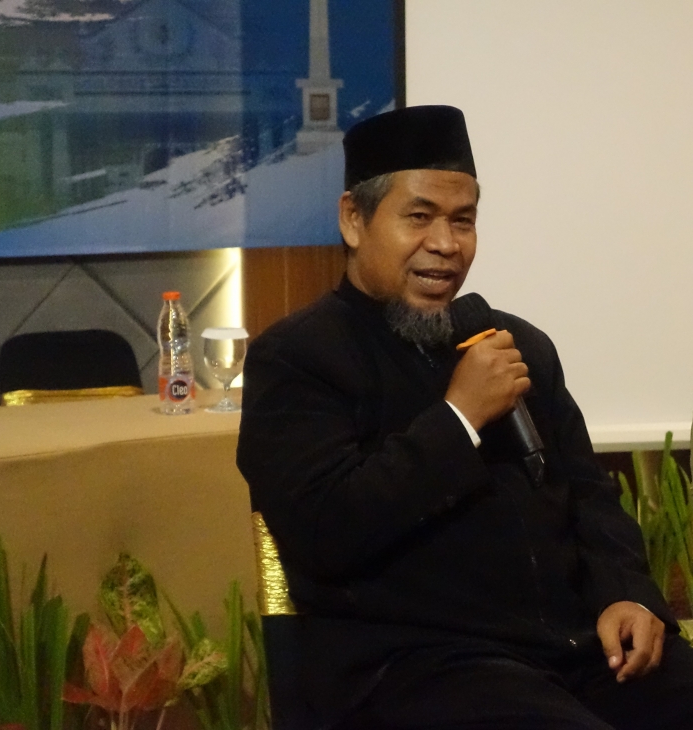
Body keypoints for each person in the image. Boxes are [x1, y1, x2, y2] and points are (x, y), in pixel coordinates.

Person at [236, 105, 693, 729]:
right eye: (419, 217)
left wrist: (628, 594)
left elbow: (588, 496)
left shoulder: (516, 345)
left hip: (576, 650)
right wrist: (459, 418)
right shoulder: (298, 357)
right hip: (416, 666)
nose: (446, 245)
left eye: (463, 221)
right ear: (354, 219)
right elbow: (324, 530)